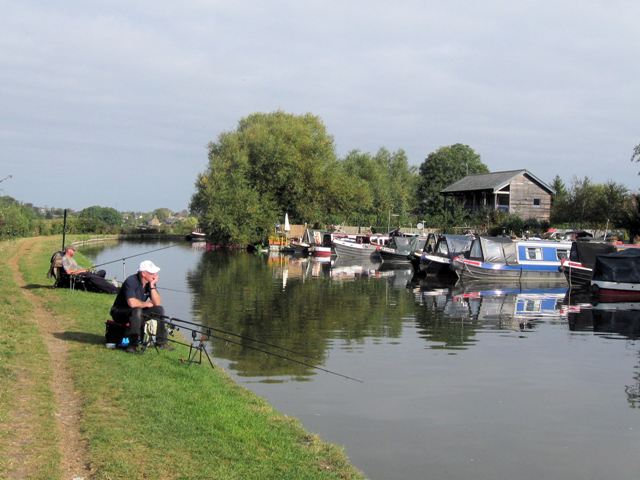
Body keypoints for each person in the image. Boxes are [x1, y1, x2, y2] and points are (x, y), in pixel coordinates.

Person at [109, 260, 172, 353]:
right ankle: (132, 345)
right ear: (143, 273)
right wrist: (146, 304)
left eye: (155, 273)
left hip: (136, 312)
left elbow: (157, 302)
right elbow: (132, 303)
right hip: (120, 313)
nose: (155, 275)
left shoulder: (149, 283)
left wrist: (152, 286)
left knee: (159, 309)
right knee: (137, 310)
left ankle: (161, 342)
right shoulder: (131, 281)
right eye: (152, 273)